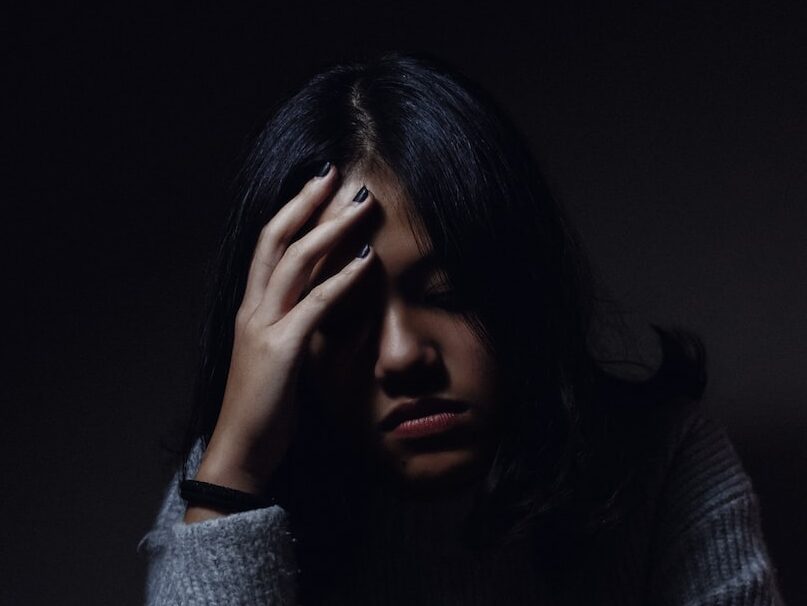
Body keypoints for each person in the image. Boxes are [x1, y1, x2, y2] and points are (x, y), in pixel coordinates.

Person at [137, 51, 785, 605]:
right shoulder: (227, 486)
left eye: (449, 294)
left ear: (522, 283)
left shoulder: (661, 463)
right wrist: (231, 477)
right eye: (336, 313)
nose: (401, 356)